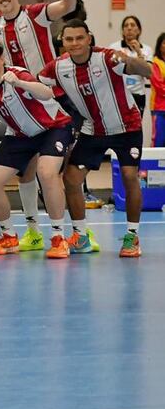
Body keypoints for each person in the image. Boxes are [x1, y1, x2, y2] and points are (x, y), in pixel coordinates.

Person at [40, 19, 151, 258]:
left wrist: (131, 60)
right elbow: (37, 85)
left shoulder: (109, 58)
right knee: (71, 178)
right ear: (63, 42)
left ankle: (132, 237)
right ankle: (80, 236)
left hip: (127, 127)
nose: (75, 43)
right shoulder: (56, 68)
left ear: (89, 38)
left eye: (80, 38)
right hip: (94, 130)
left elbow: (147, 71)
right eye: (69, 39)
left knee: (130, 176)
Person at [0, 0, 76, 251]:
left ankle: (71, 232)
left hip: (48, 99)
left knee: (56, 173)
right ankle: (33, 231)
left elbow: (67, 7)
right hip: (18, 106)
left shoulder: (34, 14)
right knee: (25, 173)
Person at [0, 38, 73, 259]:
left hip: (52, 128)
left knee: (46, 173)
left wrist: (20, 83)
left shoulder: (18, 74)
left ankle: (58, 238)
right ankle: (9, 236)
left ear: (2, 59)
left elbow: (47, 93)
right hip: (20, 135)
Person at [107, 15, 152, 115]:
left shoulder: (146, 49)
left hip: (138, 95)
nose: (129, 28)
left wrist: (139, 52)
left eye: (132, 25)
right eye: (126, 25)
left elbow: (149, 74)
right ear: (123, 31)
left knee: (137, 128)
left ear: (139, 30)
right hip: (119, 94)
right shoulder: (114, 47)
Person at [150, 32, 165, 147]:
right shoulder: (155, 63)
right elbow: (159, 85)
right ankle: (155, 165)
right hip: (159, 108)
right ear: (159, 46)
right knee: (159, 139)